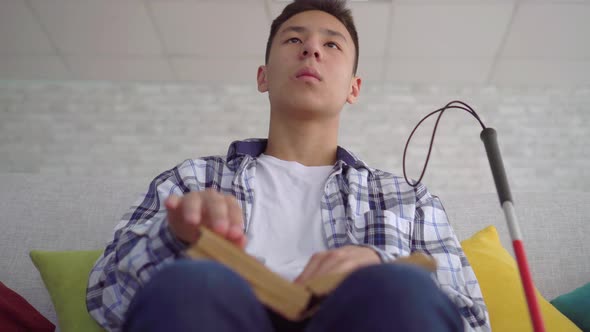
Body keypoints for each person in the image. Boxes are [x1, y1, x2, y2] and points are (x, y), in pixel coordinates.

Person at [86, 0, 490, 331]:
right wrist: (172, 237)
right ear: (263, 77)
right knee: (189, 283)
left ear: (354, 87)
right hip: (219, 315)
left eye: (331, 45)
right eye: (294, 39)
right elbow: (105, 299)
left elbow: (471, 320)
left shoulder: (408, 197)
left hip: (362, 317)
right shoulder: (191, 180)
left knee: (400, 289)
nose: (311, 49)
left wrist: (381, 267)